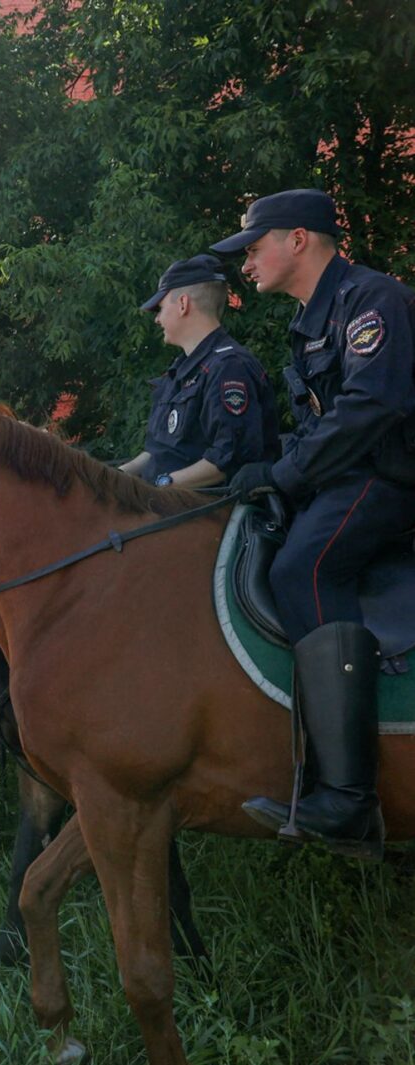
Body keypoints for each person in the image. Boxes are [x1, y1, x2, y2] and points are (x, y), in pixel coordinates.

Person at [215, 190, 415, 861]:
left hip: (391, 478)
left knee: (303, 565)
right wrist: (273, 473)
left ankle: (349, 797)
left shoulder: (370, 300)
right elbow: (316, 429)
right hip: (348, 475)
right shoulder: (307, 325)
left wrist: (287, 475)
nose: (247, 261)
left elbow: (370, 409)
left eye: (253, 245)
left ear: (299, 238)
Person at [118, 253, 278, 489]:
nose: (157, 320)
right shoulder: (180, 371)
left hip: (206, 513)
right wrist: (110, 477)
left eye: (160, 309)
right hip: (168, 506)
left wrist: (161, 487)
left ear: (183, 304)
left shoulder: (229, 367)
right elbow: (157, 453)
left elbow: (227, 460)